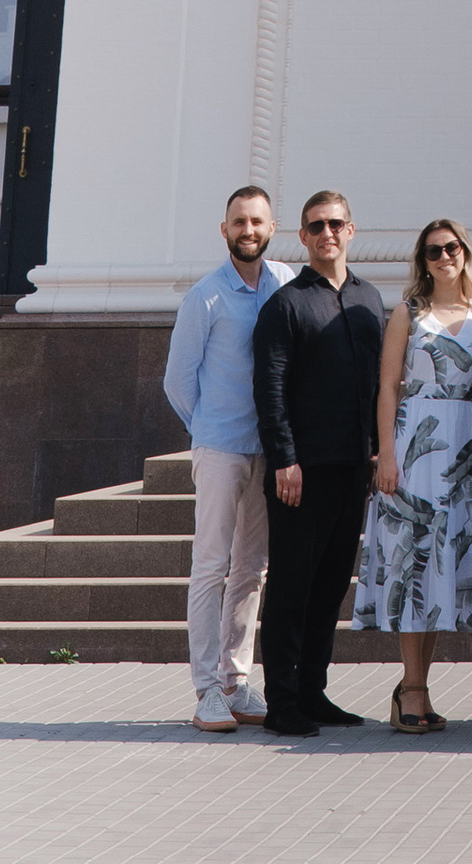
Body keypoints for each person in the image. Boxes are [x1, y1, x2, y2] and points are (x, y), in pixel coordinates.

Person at [251, 188, 388, 737]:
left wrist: (377, 451)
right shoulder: (285, 305)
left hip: (354, 467)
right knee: (291, 586)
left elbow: (379, 386)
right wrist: (285, 458)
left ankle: (313, 691)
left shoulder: (370, 300)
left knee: (331, 584)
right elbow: (272, 388)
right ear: (303, 237)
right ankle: (282, 700)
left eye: (336, 224)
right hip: (300, 473)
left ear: (351, 231)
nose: (327, 233)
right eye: (316, 226)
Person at [354, 218, 472, 731]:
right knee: (412, 563)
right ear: (424, 260)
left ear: (465, 253)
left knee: (441, 569)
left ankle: (419, 686)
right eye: (434, 250)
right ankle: (410, 686)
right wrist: (386, 454)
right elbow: (388, 386)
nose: (444, 257)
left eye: (452, 248)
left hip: (458, 451)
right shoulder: (407, 314)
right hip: (414, 447)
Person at [163, 182, 284, 733]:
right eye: (239, 222)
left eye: (257, 222)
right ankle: (206, 689)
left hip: (267, 450)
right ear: (224, 229)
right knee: (211, 567)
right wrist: (207, 431)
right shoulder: (205, 296)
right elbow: (177, 381)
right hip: (219, 451)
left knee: (252, 570)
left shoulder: (281, 283)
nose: (248, 231)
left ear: (271, 228)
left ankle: (236, 681)